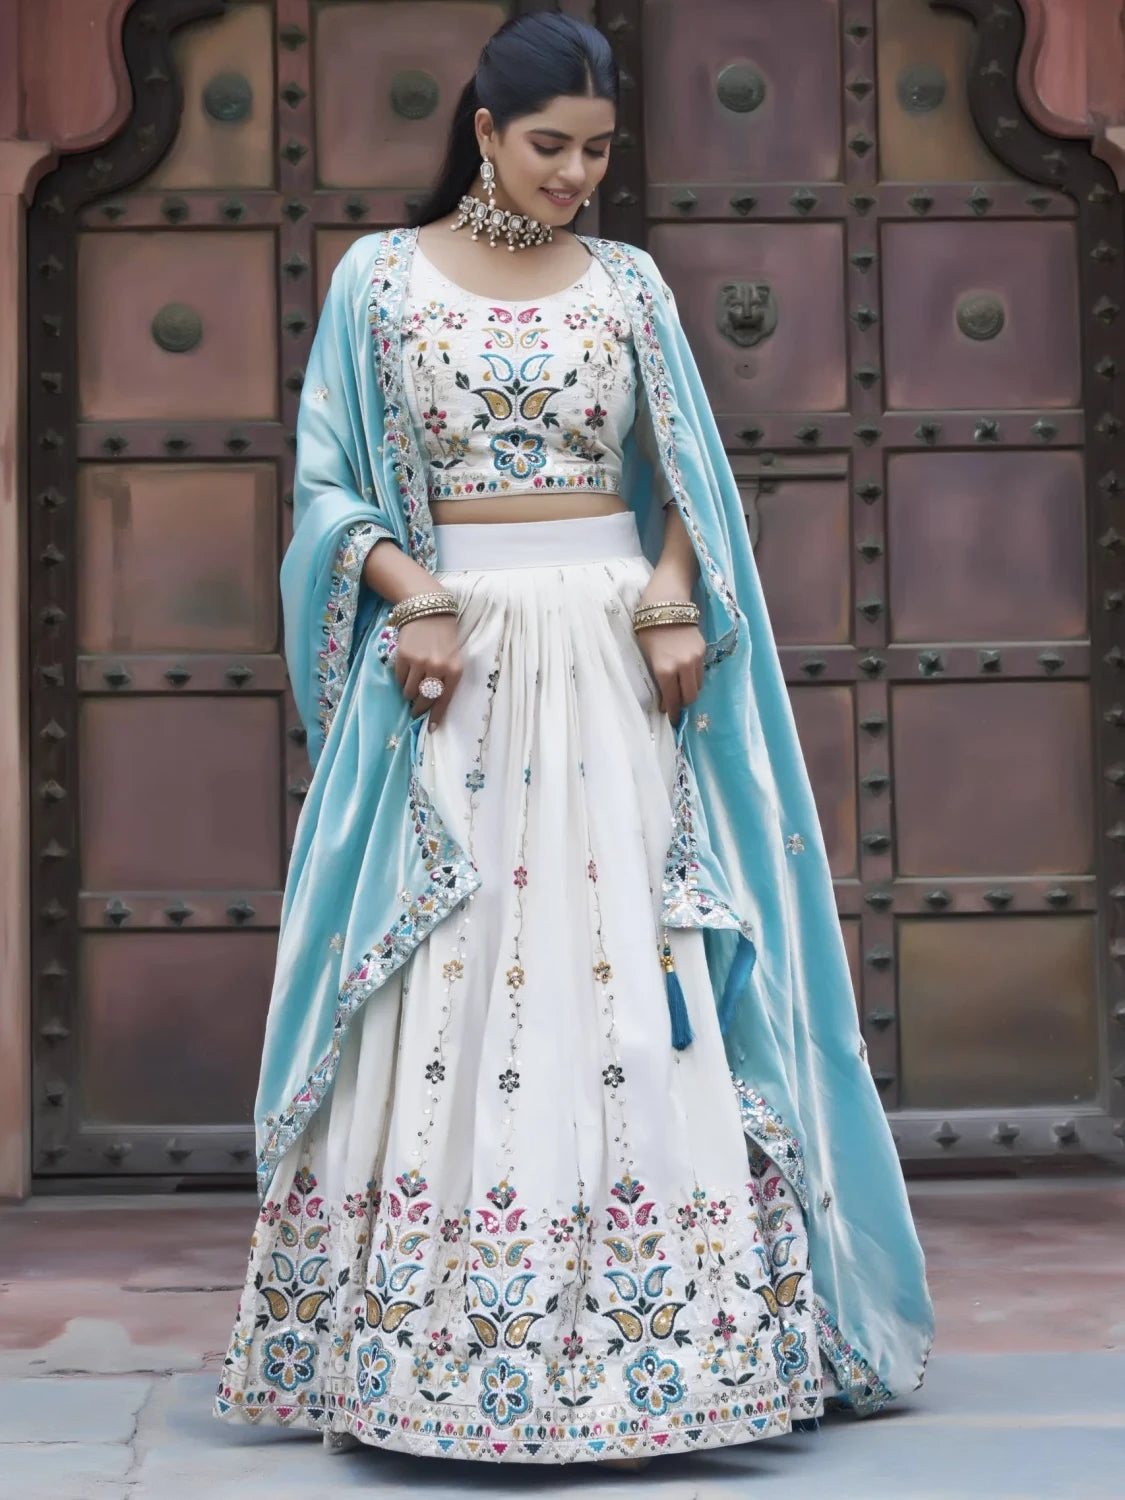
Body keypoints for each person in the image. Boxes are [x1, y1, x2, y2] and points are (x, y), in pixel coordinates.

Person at [213, 12, 933, 1468]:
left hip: (608, 662)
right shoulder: (377, 283)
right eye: (550, 147)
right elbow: (326, 487)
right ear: (482, 128)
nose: (576, 177)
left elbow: (689, 484)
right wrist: (409, 597)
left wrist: (674, 600)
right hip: (458, 666)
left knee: (630, 965)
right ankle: (425, 1340)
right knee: (456, 968)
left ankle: (673, 1339)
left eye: (598, 152)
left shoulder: (627, 284)